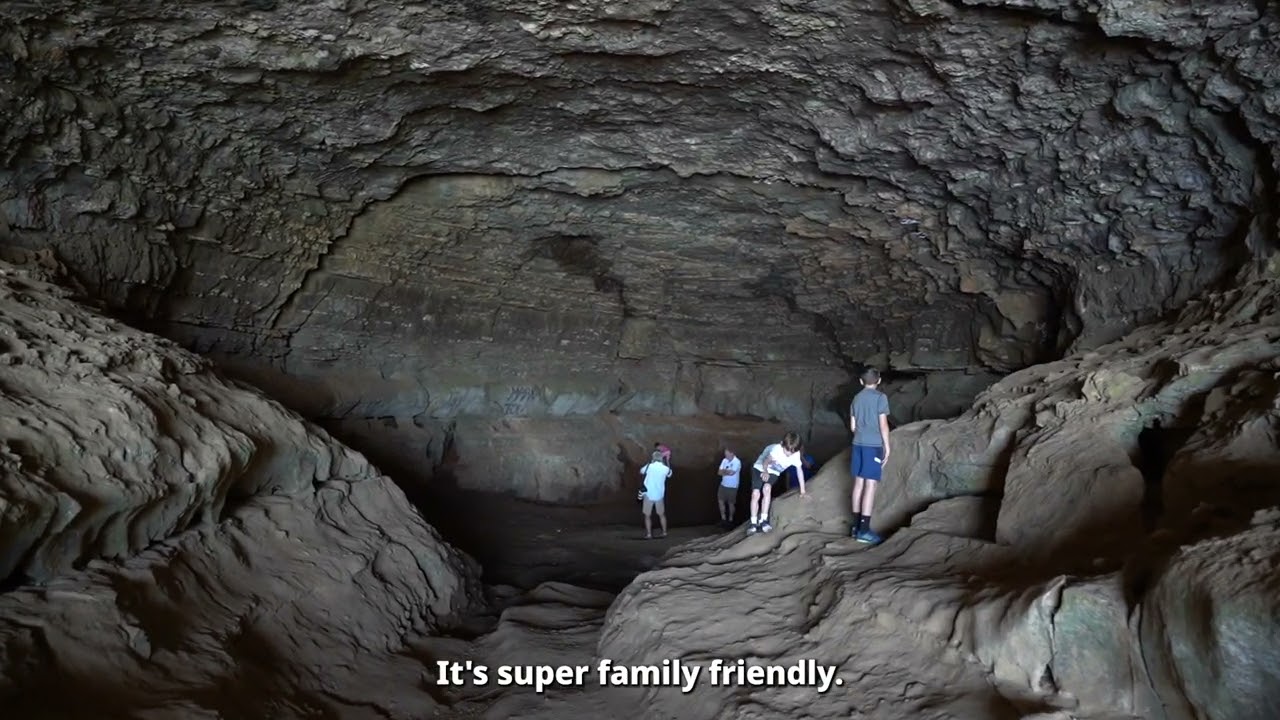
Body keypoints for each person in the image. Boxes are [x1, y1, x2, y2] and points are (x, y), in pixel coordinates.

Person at [849, 367, 891, 544]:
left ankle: (855, 526)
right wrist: (887, 447)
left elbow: (852, 427)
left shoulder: (856, 399)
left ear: (861, 381)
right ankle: (864, 531)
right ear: (879, 381)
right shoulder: (881, 398)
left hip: (857, 444)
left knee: (858, 483)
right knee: (870, 485)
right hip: (872, 446)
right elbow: (883, 425)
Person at [748, 431, 807, 534]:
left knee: (767, 488)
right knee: (755, 494)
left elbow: (799, 471)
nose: (788, 454)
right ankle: (753, 523)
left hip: (774, 471)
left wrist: (803, 491)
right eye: (786, 450)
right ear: (781, 444)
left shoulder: (795, 454)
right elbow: (766, 461)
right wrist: (765, 471)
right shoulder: (776, 449)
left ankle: (763, 520)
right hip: (759, 467)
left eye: (792, 452)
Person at [639, 450, 672, 539]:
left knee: (647, 515)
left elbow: (641, 471)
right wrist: (667, 461)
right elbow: (669, 474)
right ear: (661, 458)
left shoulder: (649, 466)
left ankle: (649, 534)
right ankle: (664, 532)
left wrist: (649, 463)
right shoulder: (665, 468)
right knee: (661, 514)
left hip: (648, 494)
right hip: (659, 495)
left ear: (653, 458)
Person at [716, 448, 742, 527]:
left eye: (727, 454)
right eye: (725, 454)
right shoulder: (724, 460)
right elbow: (719, 472)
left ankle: (730, 520)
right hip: (723, 485)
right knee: (720, 501)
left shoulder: (737, 462)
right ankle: (723, 519)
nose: (725, 455)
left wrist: (724, 471)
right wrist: (727, 471)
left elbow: (732, 473)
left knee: (731, 504)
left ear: (732, 453)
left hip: (732, 486)